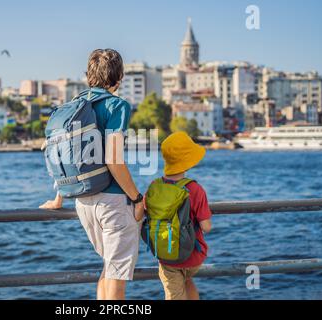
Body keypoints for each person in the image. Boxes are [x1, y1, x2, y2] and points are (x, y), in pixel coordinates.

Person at [40, 49, 144, 300]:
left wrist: (58, 200)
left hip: (82, 202)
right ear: (119, 79)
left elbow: (63, 156)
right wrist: (137, 198)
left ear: (88, 76)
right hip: (113, 204)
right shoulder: (117, 105)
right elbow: (113, 159)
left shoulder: (71, 107)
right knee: (117, 280)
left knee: (108, 270)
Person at [150, 131, 212, 300]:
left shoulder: (154, 186)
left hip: (167, 255)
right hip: (193, 255)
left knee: (174, 294)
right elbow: (206, 226)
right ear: (188, 162)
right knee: (187, 279)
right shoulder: (195, 189)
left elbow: (140, 215)